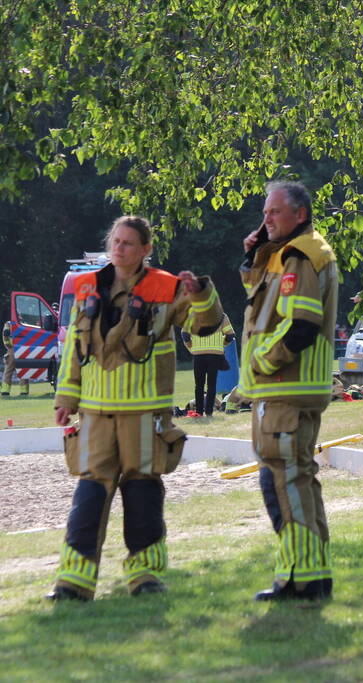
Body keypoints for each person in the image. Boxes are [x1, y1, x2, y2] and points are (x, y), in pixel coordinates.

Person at [47, 216, 224, 601]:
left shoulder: (167, 287)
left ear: (146, 250)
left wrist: (201, 294)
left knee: (143, 495)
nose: (120, 248)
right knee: (90, 496)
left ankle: (146, 577)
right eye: (116, 241)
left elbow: (205, 326)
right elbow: (73, 354)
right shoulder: (86, 286)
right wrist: (66, 399)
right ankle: (72, 582)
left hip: (145, 414)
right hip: (94, 413)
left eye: (129, 243)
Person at [240, 180, 338, 602]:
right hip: (291, 389)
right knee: (295, 480)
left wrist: (265, 360)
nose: (267, 219)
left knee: (286, 482)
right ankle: (308, 576)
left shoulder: (300, 255)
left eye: (274, 213)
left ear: (300, 214)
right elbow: (261, 301)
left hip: (287, 386)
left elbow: (302, 324)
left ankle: (301, 580)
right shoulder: (290, 253)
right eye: (265, 213)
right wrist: (256, 253)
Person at [181, 314, 236, 417]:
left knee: (199, 386)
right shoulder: (222, 316)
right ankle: (209, 412)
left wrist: (191, 347)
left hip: (198, 355)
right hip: (215, 355)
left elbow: (185, 335)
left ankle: (199, 412)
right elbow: (230, 335)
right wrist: (221, 345)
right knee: (211, 385)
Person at [2, 320, 30, 396]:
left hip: (14, 349)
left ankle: (6, 391)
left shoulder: (9, 324)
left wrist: (9, 347)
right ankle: (23, 391)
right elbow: (5, 336)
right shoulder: (22, 323)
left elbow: (5, 337)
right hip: (17, 348)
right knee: (22, 370)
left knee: (10, 371)